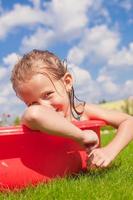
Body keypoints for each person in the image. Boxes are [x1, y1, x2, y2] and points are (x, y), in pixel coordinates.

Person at [11, 49, 133, 168]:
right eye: (32, 103)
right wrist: (81, 136)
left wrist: (109, 151)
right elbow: (34, 114)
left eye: (48, 94)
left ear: (67, 82)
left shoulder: (81, 112)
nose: (44, 107)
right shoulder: (34, 120)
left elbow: (129, 121)